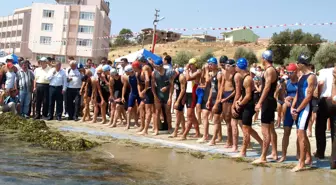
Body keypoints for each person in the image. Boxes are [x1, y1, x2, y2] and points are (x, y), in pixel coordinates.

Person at [290, 54, 316, 172]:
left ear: (301, 64)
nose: (296, 65)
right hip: (298, 108)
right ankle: (308, 158)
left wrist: (298, 109)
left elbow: (309, 97)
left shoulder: (311, 77)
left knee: (300, 135)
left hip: (304, 109)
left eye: (297, 63)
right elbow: (297, 93)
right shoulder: (301, 76)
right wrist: (293, 107)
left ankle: (301, 163)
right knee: (302, 135)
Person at [253, 50, 278, 164]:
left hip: (267, 101)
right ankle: (274, 153)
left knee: (265, 130)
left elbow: (266, 88)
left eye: (262, 58)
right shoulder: (273, 70)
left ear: (264, 58)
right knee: (271, 129)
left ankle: (263, 156)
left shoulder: (269, 70)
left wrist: (259, 102)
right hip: (271, 100)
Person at [233, 58, 262, 157]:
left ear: (240, 67)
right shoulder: (243, 77)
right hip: (246, 104)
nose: (235, 67)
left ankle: (243, 151)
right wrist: (238, 101)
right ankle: (262, 143)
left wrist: (240, 104)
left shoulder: (247, 79)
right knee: (247, 128)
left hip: (249, 105)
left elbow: (248, 95)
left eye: (236, 65)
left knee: (245, 129)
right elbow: (243, 93)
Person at [278, 63, 299, 162]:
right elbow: (282, 95)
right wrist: (285, 100)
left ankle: (299, 154)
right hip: (288, 109)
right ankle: (283, 155)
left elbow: (304, 96)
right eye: (287, 72)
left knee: (299, 133)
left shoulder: (300, 82)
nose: (289, 74)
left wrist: (293, 98)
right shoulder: (287, 82)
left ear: (295, 72)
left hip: (299, 109)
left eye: (290, 72)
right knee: (286, 132)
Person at [314, 63, 336, 159]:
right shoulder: (334, 71)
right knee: (334, 130)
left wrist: (318, 96)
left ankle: (320, 152)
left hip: (325, 100)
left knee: (320, 128)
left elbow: (321, 83)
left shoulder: (323, 71)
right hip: (334, 100)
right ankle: (334, 156)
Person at [152, 59, 175, 135]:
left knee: (168, 112)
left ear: (161, 65)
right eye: (154, 66)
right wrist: (155, 96)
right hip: (158, 95)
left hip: (166, 96)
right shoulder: (154, 73)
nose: (155, 67)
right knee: (157, 112)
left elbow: (172, 86)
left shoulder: (167, 73)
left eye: (157, 66)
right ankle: (156, 129)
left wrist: (170, 97)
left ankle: (169, 128)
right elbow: (152, 86)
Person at [180, 58, 201, 140]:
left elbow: (188, 78)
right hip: (188, 93)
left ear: (195, 64)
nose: (190, 66)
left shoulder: (198, 72)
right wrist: (184, 96)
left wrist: (187, 69)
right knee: (192, 115)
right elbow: (186, 84)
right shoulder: (189, 72)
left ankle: (184, 135)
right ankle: (198, 132)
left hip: (193, 94)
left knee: (189, 115)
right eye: (189, 64)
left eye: (191, 64)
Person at [205, 57, 224, 146]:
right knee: (217, 120)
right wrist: (209, 99)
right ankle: (219, 137)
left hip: (218, 99)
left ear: (216, 65)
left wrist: (217, 102)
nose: (209, 66)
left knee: (216, 120)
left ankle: (213, 140)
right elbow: (212, 88)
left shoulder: (219, 75)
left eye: (211, 64)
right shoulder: (212, 75)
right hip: (212, 98)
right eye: (209, 64)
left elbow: (220, 89)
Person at [136, 57, 155, 135]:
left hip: (149, 91)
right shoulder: (145, 67)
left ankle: (146, 130)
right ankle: (142, 126)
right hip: (147, 90)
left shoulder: (145, 67)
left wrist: (144, 90)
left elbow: (147, 80)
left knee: (148, 110)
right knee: (141, 107)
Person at [220, 59, 236, 148]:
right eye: (225, 65)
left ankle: (231, 141)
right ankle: (229, 140)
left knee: (231, 120)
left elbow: (236, 90)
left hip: (230, 96)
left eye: (227, 65)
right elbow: (222, 85)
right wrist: (220, 97)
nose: (225, 67)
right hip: (225, 96)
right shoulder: (225, 73)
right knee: (226, 119)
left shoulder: (235, 75)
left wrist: (227, 98)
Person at [122, 65, 141, 130]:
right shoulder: (127, 77)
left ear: (130, 71)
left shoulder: (137, 75)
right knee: (129, 109)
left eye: (126, 71)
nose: (125, 73)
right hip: (132, 93)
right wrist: (122, 96)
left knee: (140, 109)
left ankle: (137, 122)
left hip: (138, 93)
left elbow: (140, 85)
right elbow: (124, 87)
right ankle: (128, 124)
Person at [170, 67, 186, 138]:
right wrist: (170, 98)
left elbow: (183, 90)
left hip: (182, 96)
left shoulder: (181, 77)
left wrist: (178, 101)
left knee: (178, 114)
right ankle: (183, 129)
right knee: (180, 114)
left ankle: (175, 131)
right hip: (178, 95)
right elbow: (172, 88)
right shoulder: (173, 77)